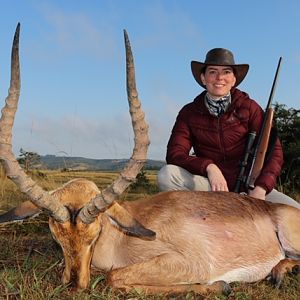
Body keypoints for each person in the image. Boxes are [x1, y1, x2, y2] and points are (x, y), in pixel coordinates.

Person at [157, 48, 300, 209]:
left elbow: (275, 153)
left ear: (233, 80)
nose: (219, 78)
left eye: (226, 72)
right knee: (166, 175)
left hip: (251, 188)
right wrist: (209, 168)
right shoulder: (188, 113)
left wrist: (261, 188)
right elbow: (175, 154)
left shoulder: (250, 108)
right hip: (210, 186)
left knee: (296, 214)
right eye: (212, 72)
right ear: (203, 78)